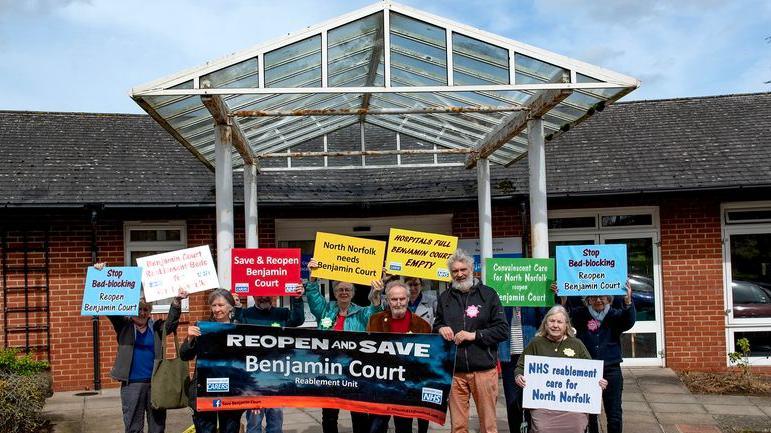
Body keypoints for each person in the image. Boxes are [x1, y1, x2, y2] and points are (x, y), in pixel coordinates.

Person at [99, 262, 188, 433]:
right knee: (133, 427)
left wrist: (176, 302)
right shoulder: (123, 326)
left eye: (146, 309)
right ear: (131, 309)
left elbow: (171, 324)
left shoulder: (156, 327)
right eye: (138, 309)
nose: (142, 312)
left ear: (150, 311)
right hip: (132, 385)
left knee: (157, 427)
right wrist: (103, 275)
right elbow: (111, 308)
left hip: (156, 383)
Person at [433, 249, 508, 433]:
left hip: (483, 370)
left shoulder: (488, 295)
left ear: (472, 269)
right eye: (455, 271)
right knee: (458, 426)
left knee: (488, 426)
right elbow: (437, 325)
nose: (459, 274)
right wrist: (440, 328)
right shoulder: (445, 298)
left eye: (463, 269)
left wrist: (474, 335)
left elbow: (502, 330)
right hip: (454, 372)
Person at [306, 258, 383, 433]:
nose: (344, 292)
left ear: (353, 293)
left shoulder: (362, 313)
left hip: (355, 370)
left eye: (348, 289)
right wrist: (312, 278)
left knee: (359, 413)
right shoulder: (325, 310)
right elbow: (313, 297)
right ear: (334, 292)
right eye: (340, 289)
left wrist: (376, 295)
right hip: (330, 371)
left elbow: (375, 313)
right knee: (330, 415)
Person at [514, 305, 608, 433]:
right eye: (552, 321)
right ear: (545, 324)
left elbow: (591, 372)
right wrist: (519, 376)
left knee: (577, 426)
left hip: (573, 405)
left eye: (559, 322)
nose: (555, 325)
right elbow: (520, 367)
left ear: (566, 325)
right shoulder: (536, 343)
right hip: (543, 404)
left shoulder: (576, 344)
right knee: (542, 428)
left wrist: (599, 382)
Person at [564, 284, 635, 433]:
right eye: (594, 297)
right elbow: (565, 316)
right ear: (588, 299)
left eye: (602, 297)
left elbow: (628, 321)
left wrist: (628, 301)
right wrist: (562, 298)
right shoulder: (580, 314)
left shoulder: (615, 315)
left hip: (611, 369)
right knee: (590, 414)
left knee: (614, 413)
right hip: (587, 371)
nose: (598, 300)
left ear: (608, 298)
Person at [233, 291, 306, 433]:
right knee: (254, 422)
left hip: (275, 377)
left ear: (275, 295)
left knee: (275, 421)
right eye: (259, 294)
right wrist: (237, 307)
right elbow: (236, 327)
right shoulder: (246, 314)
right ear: (253, 296)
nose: (263, 297)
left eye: (267, 294)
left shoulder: (283, 313)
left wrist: (297, 299)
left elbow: (298, 320)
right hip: (253, 378)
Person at [367, 281, 432, 433]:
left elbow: (427, 361)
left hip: (406, 389)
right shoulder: (375, 320)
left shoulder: (422, 326)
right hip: (381, 387)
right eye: (394, 299)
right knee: (375, 428)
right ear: (388, 301)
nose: (398, 303)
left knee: (404, 428)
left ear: (408, 299)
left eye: (402, 299)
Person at [181, 289, 244, 433]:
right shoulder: (202, 328)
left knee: (229, 429)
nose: (217, 309)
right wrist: (190, 338)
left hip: (232, 391)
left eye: (221, 305)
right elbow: (185, 356)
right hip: (205, 390)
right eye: (214, 305)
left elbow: (248, 363)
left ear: (230, 307)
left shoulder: (240, 330)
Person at [498, 306, 547, 433]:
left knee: (534, 400)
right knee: (512, 401)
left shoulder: (532, 294)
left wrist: (551, 295)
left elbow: (545, 318)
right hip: (509, 357)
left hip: (532, 357)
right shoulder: (501, 296)